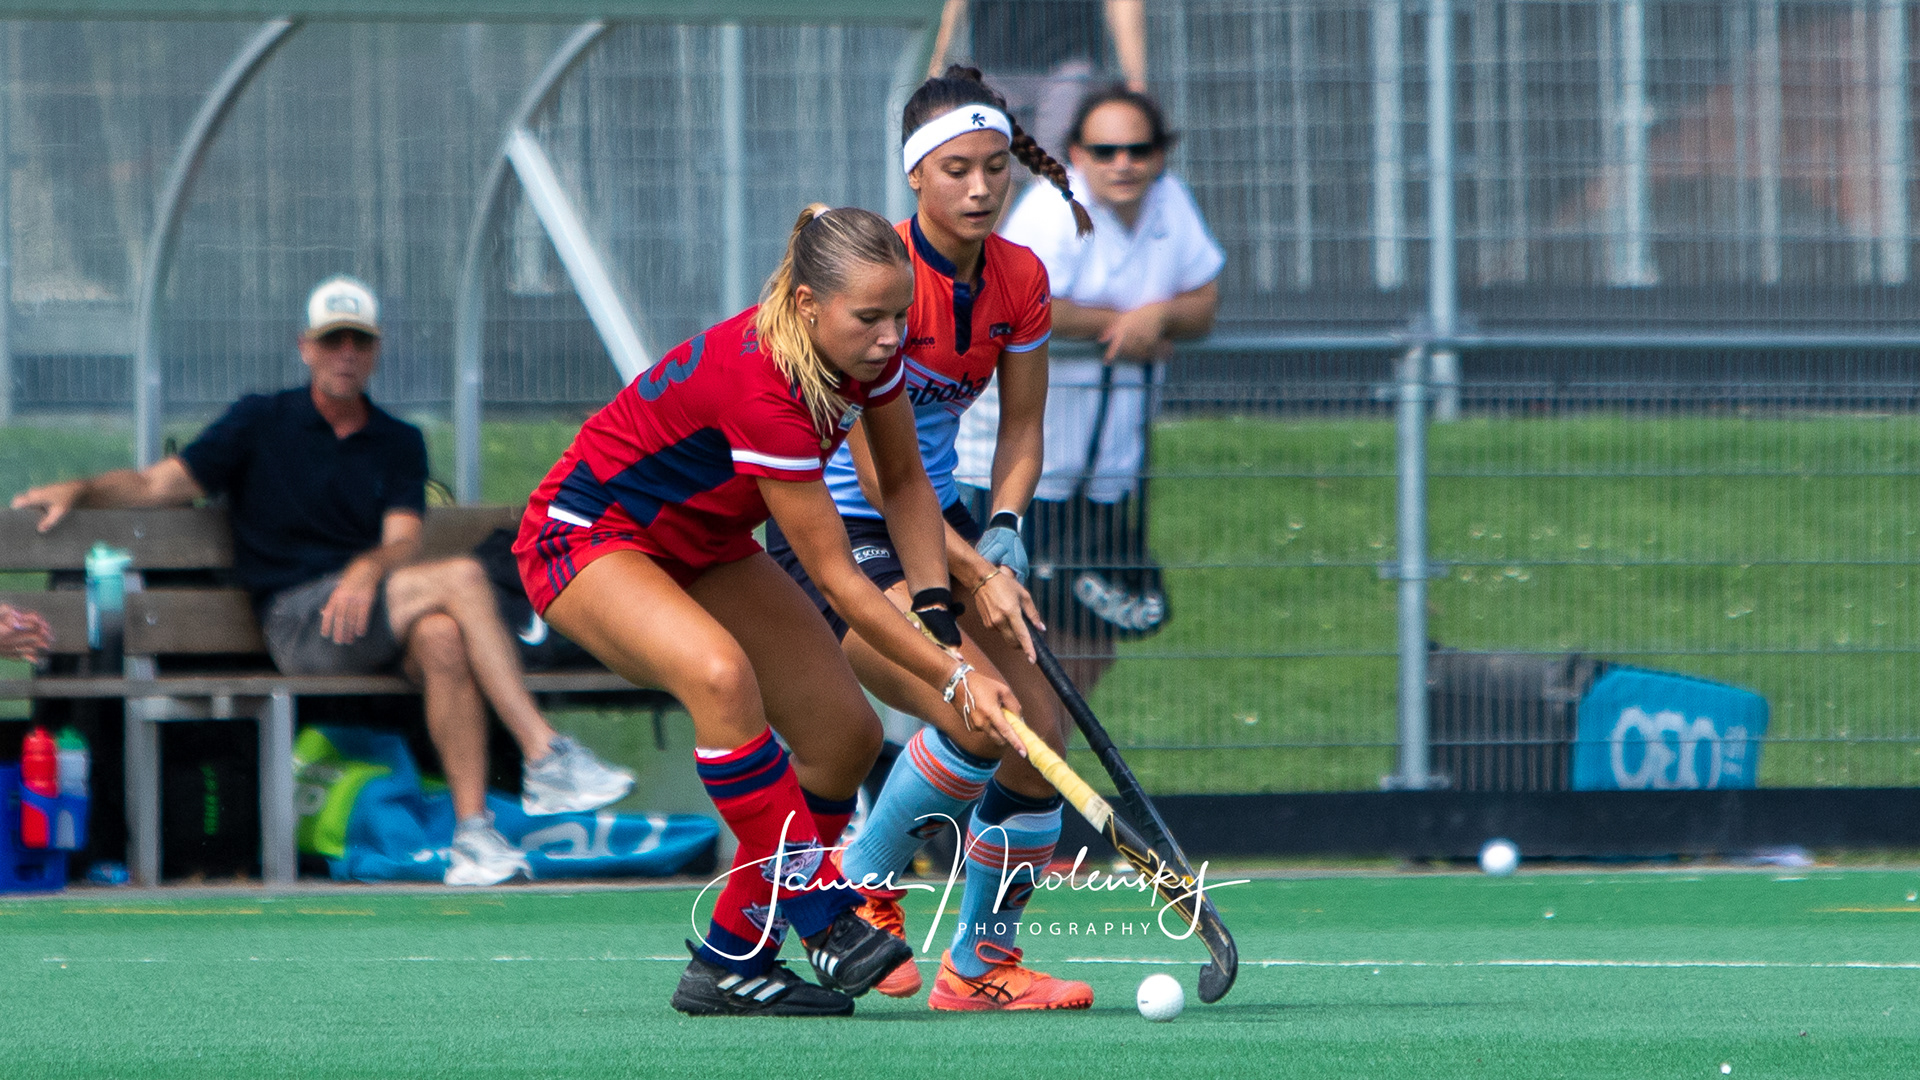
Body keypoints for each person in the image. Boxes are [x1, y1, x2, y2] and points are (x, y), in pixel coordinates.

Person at [517, 204, 1030, 1018]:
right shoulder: (765, 387)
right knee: (721, 677)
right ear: (807, 305)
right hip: (586, 539)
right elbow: (840, 581)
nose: (892, 338)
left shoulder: (862, 359)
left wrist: (938, 612)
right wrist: (956, 674)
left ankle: (733, 960)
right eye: (871, 318)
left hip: (704, 544)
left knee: (843, 736)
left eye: (901, 316)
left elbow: (904, 484)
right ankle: (823, 914)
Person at [11, 276, 635, 887]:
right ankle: (544, 753)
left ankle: (473, 837)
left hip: (373, 615)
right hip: (295, 623)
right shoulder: (260, 421)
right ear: (305, 347)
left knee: (443, 637)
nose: (346, 353)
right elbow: (157, 484)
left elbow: (402, 541)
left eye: (359, 341)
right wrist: (81, 488)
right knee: (466, 576)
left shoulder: (397, 441)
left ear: (376, 350)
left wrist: (366, 570)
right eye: (333, 340)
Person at [769, 66, 1096, 1012]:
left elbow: (1022, 432)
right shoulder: (875, 278)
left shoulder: (1020, 279)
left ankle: (981, 965)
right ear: (915, 174)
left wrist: (1004, 531)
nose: (981, 188)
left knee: (1037, 737)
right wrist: (972, 568)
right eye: (957, 170)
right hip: (838, 530)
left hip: (942, 523)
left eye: (996, 167)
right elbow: (881, 476)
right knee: (977, 716)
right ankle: (865, 880)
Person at [957, 85, 1223, 692]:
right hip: (1017, 468)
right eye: (1105, 151)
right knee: (1011, 655)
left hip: (1105, 468)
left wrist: (1158, 317)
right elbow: (1026, 305)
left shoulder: (1171, 202)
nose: (1123, 164)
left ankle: (1032, 760)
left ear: (1161, 154)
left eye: (1139, 149)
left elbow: (1204, 303)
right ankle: (963, 754)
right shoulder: (1050, 213)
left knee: (1088, 654)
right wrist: (1121, 325)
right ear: (1076, 154)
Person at [927, 0, 1147, 168]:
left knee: (1055, 166)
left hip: (1069, 63)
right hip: (997, 66)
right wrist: (937, 67)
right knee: (996, 170)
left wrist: (1136, 80)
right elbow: (955, 7)